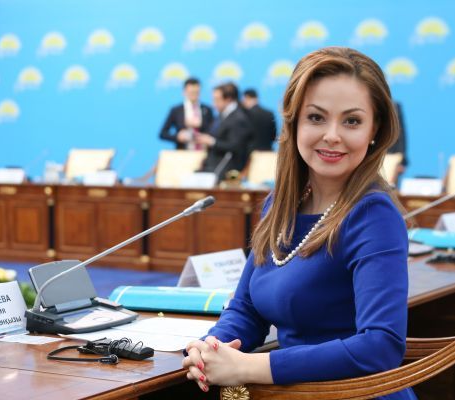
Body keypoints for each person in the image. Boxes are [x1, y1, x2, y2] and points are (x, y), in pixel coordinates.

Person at [183, 47, 416, 400]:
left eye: (352, 121)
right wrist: (210, 348)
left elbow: (380, 347)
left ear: (375, 129)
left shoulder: (374, 214)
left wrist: (249, 367)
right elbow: (247, 309)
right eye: (316, 117)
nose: (332, 135)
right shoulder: (280, 203)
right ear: (293, 123)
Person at [197, 83, 253, 179]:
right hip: (212, 165)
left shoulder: (239, 118)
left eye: (216, 100)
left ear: (228, 99)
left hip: (227, 170)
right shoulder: (222, 115)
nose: (213, 104)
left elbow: (236, 146)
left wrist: (211, 141)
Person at [159, 77, 214, 150]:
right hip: (183, 151)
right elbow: (163, 133)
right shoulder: (176, 110)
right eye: (191, 92)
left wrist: (201, 125)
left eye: (196, 92)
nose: (194, 95)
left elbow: (214, 131)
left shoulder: (207, 109)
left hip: (204, 151)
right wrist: (178, 136)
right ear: (184, 92)